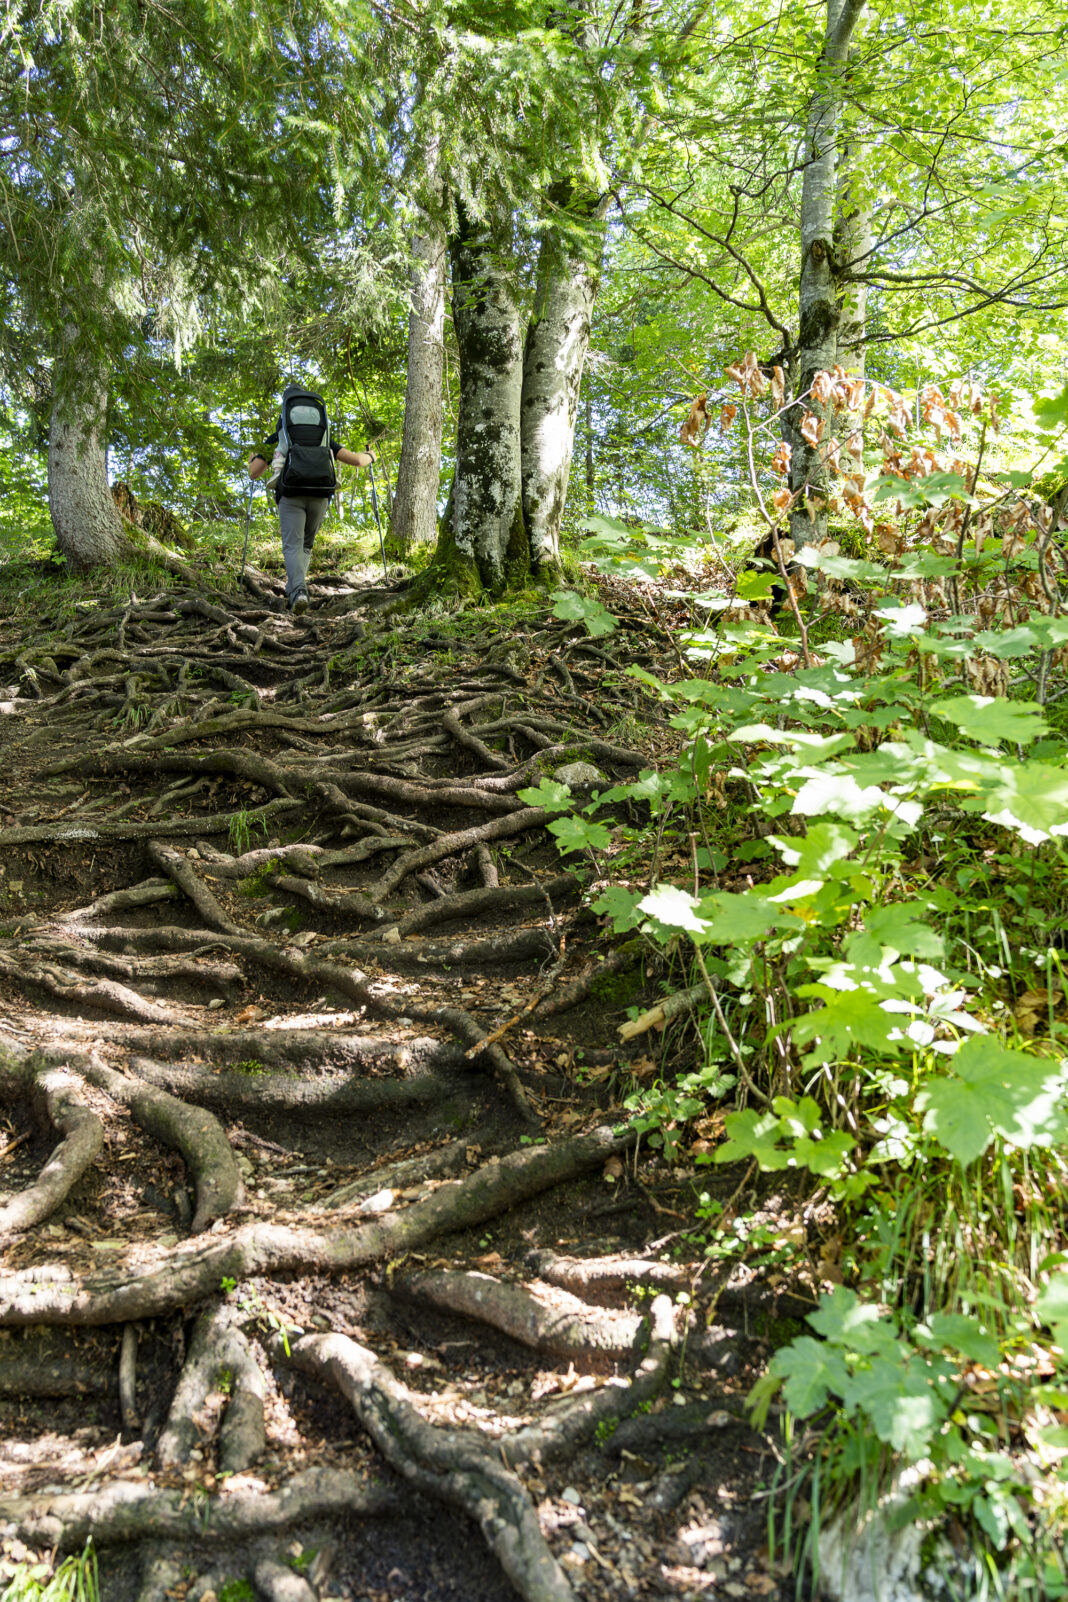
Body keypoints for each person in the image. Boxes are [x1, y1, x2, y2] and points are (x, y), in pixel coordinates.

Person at [248, 383, 375, 614]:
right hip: (320, 495)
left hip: (291, 493)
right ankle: (296, 587)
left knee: (292, 545)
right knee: (305, 545)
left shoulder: (281, 433)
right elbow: (357, 461)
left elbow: (254, 471)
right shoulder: (323, 434)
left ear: (286, 408)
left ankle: (298, 591)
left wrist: (252, 458)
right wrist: (371, 455)